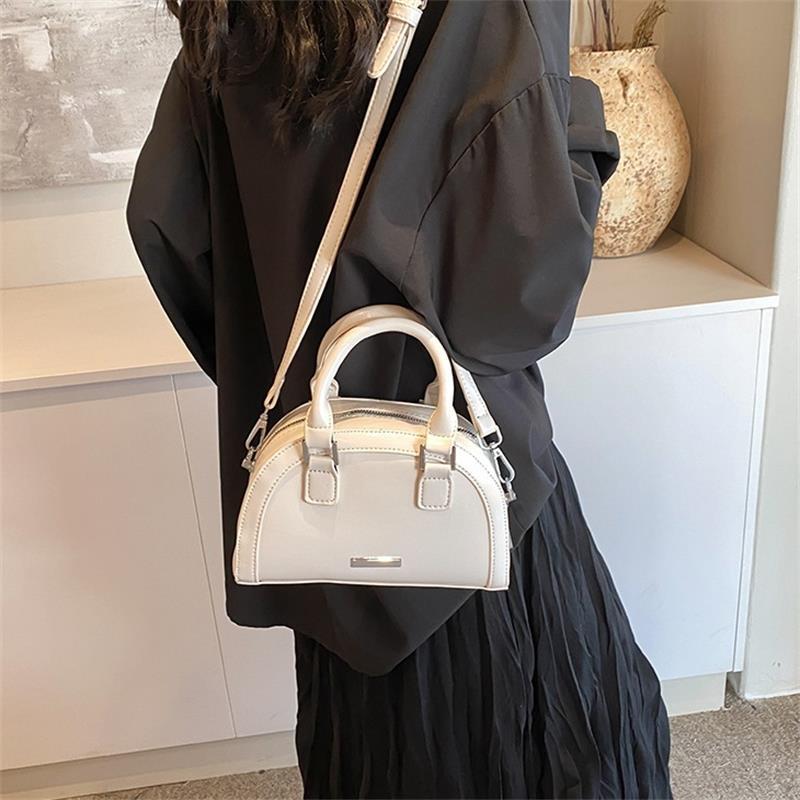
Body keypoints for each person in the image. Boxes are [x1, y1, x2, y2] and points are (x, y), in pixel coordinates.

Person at [127, 1, 672, 797]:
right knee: (549, 743)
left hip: (323, 490)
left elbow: (166, 219)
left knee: (368, 754)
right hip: (471, 485)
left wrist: (286, 376)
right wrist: (579, 119)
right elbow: (523, 298)